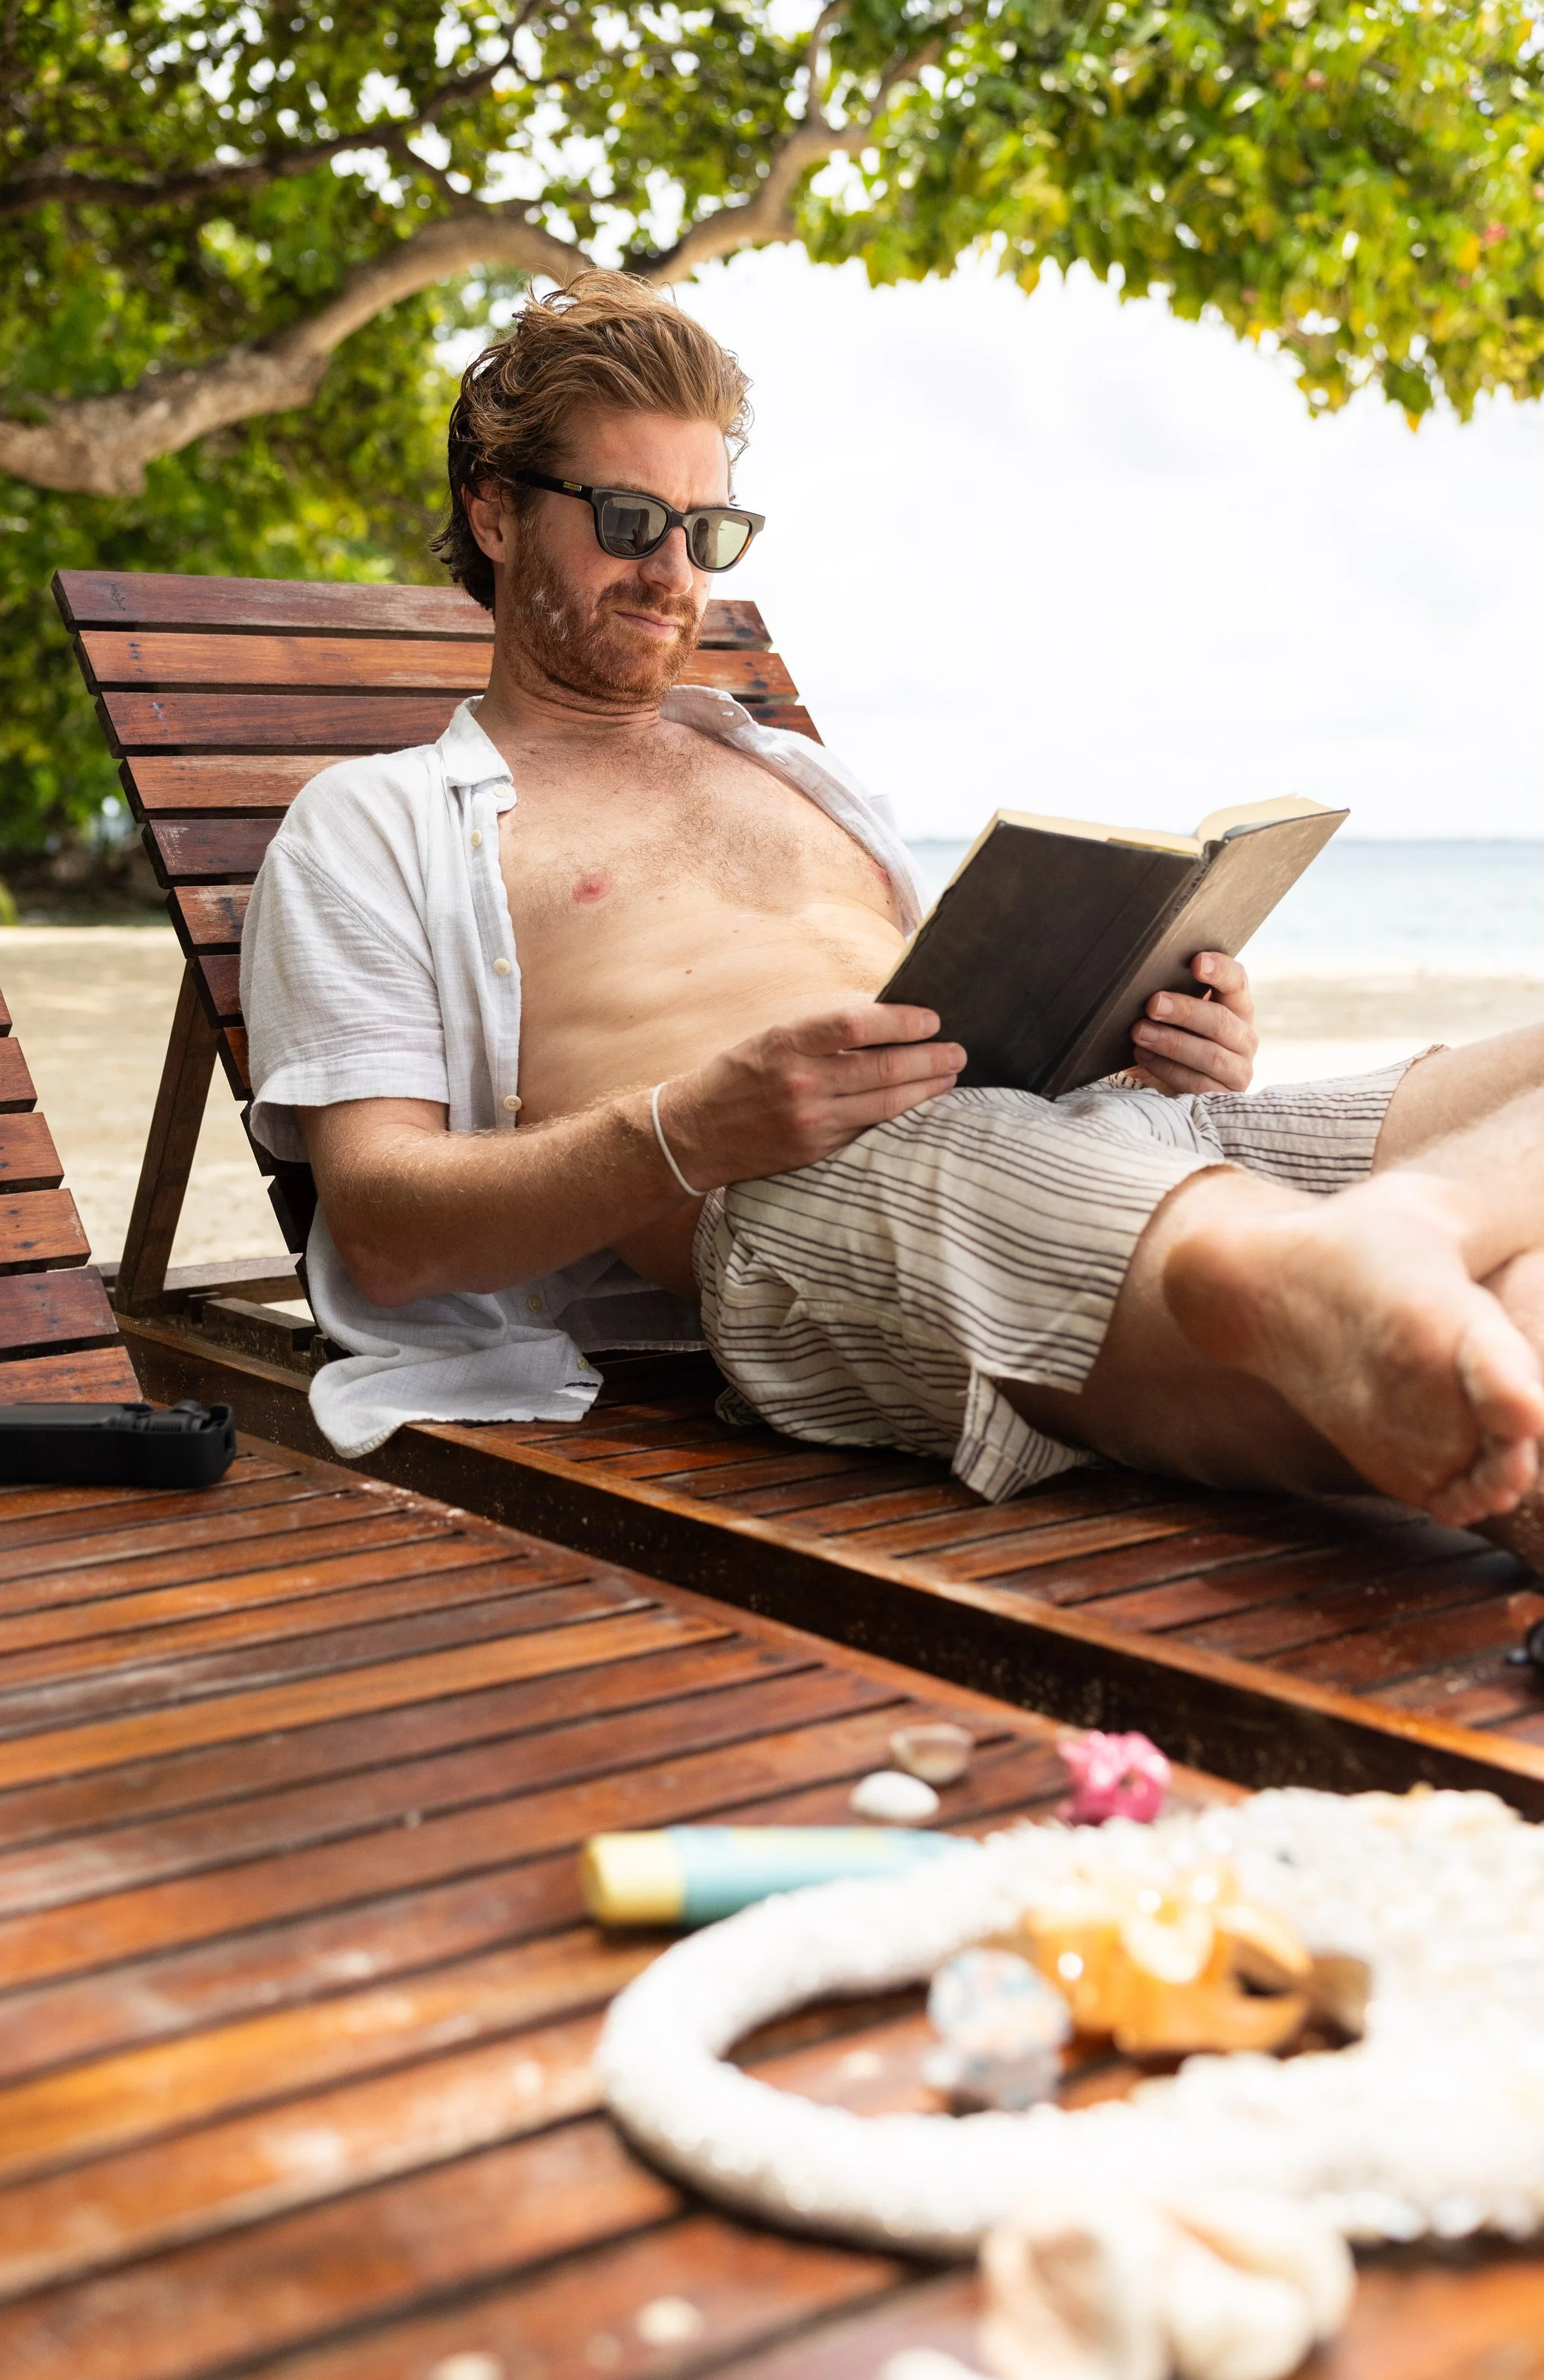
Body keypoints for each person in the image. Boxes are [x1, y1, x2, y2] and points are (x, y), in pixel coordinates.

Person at [241, 270, 1544, 1562]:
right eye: (629, 518)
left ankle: (1376, 1242)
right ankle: (1318, 1263)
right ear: (494, 510)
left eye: (708, 531)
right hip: (806, 1214)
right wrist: (684, 1129)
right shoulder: (380, 822)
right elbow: (385, 1229)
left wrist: (1156, 1041)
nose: (671, 572)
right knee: (1423, 1301)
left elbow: (955, 1033)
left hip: (1087, 1131)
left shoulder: (786, 774)